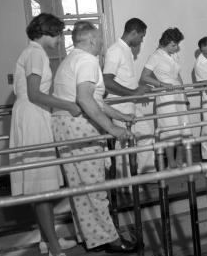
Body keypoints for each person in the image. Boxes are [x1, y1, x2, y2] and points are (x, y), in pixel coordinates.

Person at [52, 21, 136, 253]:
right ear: (90, 40)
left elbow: (96, 101)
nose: (101, 43)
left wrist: (121, 116)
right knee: (94, 187)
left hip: (67, 126)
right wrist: (114, 129)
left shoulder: (72, 59)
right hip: (79, 127)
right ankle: (109, 239)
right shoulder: (87, 61)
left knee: (80, 187)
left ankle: (90, 237)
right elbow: (85, 100)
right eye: (99, 39)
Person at [9, 13, 79, 256]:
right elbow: (34, 94)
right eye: (58, 34)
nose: (60, 39)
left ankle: (46, 241)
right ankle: (55, 248)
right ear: (46, 32)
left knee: (41, 184)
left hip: (32, 115)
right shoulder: (36, 53)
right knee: (41, 188)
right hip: (32, 116)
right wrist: (68, 105)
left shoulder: (32, 52)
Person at [103, 18, 156, 178]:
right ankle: (125, 184)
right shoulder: (115, 50)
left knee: (146, 134)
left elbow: (123, 79)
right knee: (124, 143)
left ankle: (145, 174)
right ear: (133, 33)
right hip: (119, 106)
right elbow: (107, 81)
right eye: (141, 36)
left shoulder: (125, 50)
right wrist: (133, 93)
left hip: (129, 103)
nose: (141, 40)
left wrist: (137, 91)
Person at [140, 28, 191, 168]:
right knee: (169, 129)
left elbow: (178, 76)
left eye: (177, 44)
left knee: (182, 127)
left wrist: (184, 94)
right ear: (166, 42)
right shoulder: (155, 56)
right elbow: (144, 77)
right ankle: (172, 163)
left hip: (178, 94)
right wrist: (162, 84)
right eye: (174, 45)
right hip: (166, 96)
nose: (177, 48)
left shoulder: (173, 54)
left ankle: (180, 160)